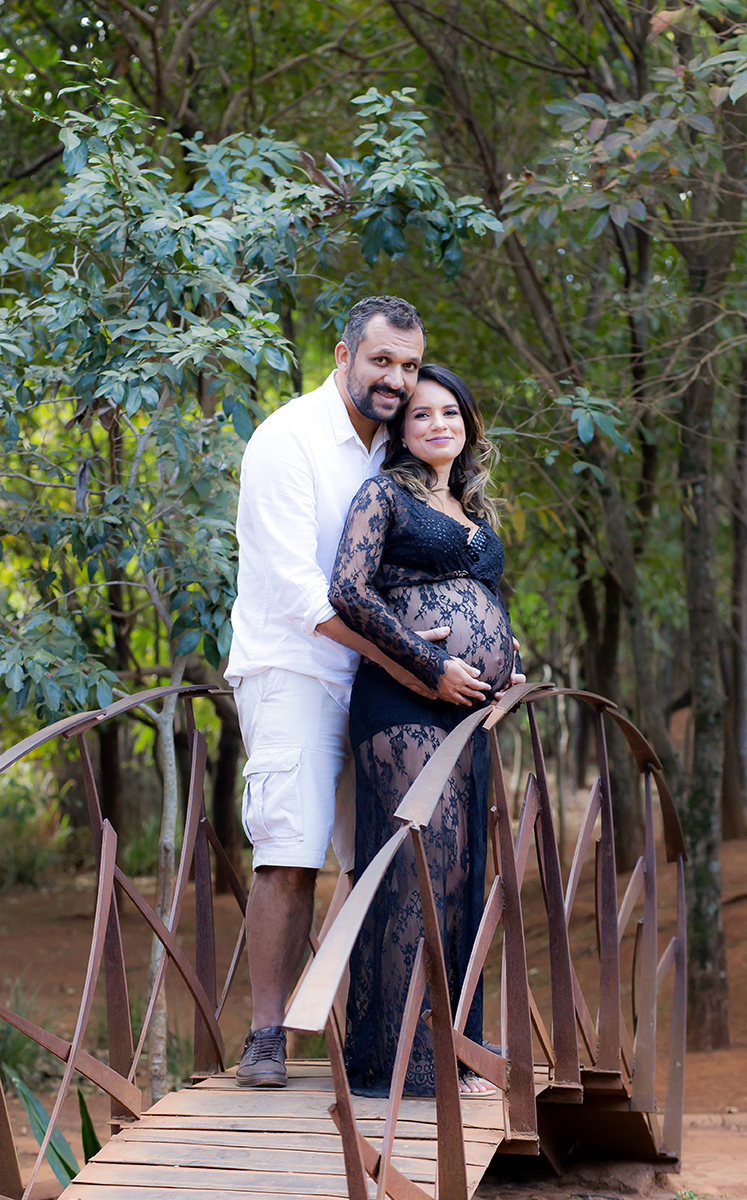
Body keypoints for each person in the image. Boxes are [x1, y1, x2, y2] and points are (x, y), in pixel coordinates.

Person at [224, 298, 489, 1089]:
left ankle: (371, 1033)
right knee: (291, 848)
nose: (398, 380)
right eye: (383, 363)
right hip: (296, 669)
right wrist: (414, 662)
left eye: (410, 366)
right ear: (343, 354)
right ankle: (268, 1035)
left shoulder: (394, 450)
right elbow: (308, 597)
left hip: (380, 684)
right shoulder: (287, 441)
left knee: (383, 854)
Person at [329, 363, 518, 1097]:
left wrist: (512, 659)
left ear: (467, 423)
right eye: (421, 415)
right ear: (400, 432)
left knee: (461, 874)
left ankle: (450, 1038)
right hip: (404, 706)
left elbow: (483, 600)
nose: (438, 424)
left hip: (465, 714)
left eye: (451, 413)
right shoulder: (384, 494)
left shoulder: (469, 506)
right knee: (421, 874)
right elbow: (348, 588)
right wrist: (424, 656)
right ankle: (410, 1060)